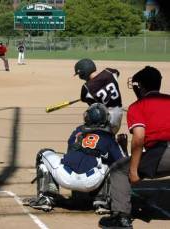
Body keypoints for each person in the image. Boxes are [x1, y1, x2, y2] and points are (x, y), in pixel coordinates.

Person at [99, 66, 170, 228]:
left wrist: (133, 170)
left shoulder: (137, 106)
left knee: (119, 170)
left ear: (141, 87)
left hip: (163, 152)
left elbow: (138, 138)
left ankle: (121, 216)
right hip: (161, 150)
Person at [23, 103, 127, 213]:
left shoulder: (78, 130)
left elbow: (70, 152)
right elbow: (122, 161)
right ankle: (102, 201)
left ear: (87, 117)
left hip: (65, 177)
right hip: (91, 181)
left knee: (43, 154)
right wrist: (122, 146)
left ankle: (46, 197)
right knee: (112, 163)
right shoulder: (109, 137)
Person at [74, 58, 123, 134]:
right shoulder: (109, 72)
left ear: (83, 74)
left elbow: (91, 104)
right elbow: (117, 73)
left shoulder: (86, 88)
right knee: (110, 137)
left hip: (106, 118)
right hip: (119, 113)